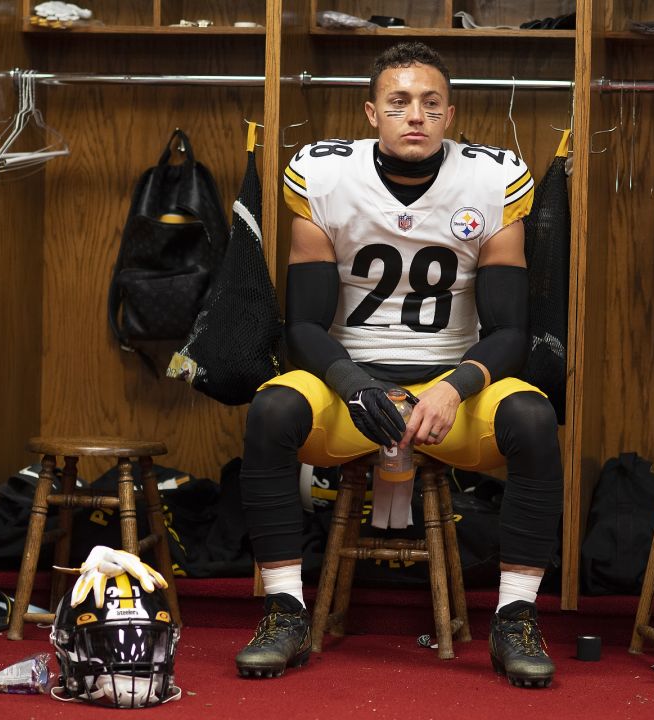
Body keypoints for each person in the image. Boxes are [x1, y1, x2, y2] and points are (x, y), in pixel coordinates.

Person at [232, 42, 563, 689]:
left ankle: (515, 616)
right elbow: (300, 324)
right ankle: (283, 609)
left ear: (450, 113)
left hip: (452, 387)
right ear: (372, 112)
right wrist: (353, 384)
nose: (415, 115)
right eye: (399, 102)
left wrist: (452, 387)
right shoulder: (324, 175)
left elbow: (510, 330)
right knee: (272, 408)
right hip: (351, 384)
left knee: (531, 414)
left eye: (430, 103)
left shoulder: (492, 178)